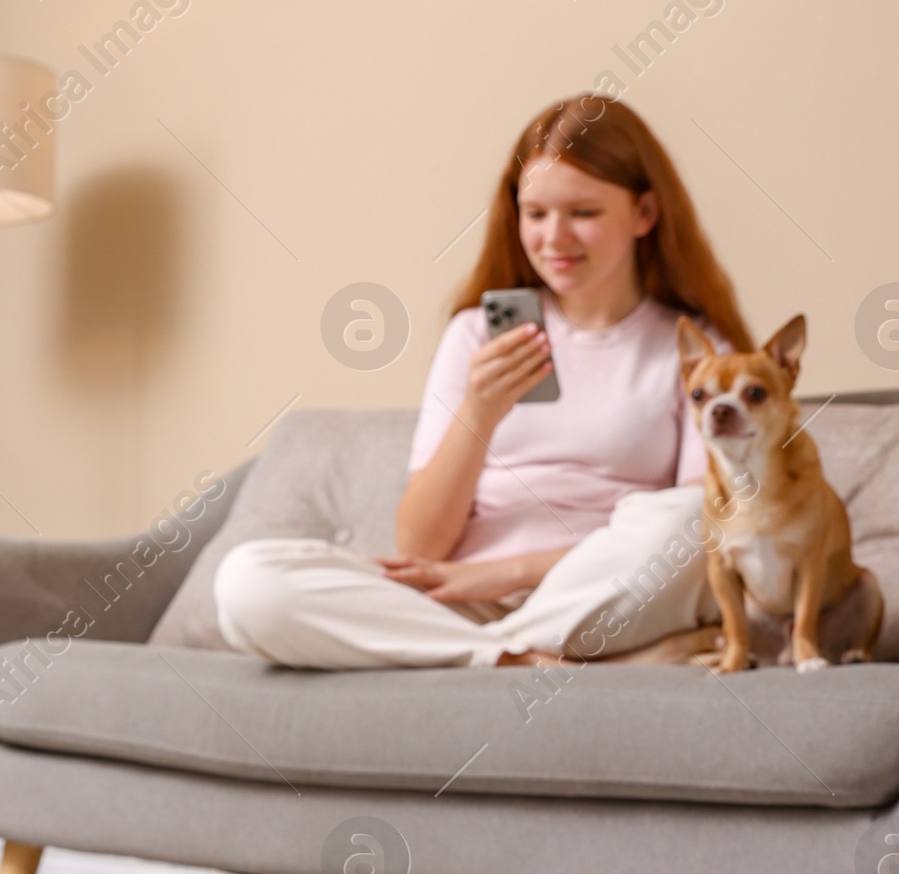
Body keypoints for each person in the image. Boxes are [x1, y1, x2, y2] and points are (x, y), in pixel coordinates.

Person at [215, 96, 753, 669]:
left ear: (644, 213)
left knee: (695, 521)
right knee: (250, 582)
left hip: (598, 596)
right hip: (457, 604)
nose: (554, 237)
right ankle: (521, 662)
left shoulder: (697, 349)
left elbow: (708, 524)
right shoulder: (476, 334)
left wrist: (501, 573)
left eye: (583, 213)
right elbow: (419, 548)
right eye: (536, 213)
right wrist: (479, 411)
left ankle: (484, 656)